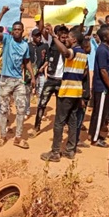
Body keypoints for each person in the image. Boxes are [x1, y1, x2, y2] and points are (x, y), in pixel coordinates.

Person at [41, 26, 88, 161]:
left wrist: (54, 36)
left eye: (68, 37)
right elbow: (84, 73)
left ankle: (55, 152)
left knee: (59, 121)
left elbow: (66, 52)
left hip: (67, 90)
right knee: (72, 121)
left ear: (73, 39)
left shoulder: (73, 52)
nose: (66, 39)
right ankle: (70, 150)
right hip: (77, 92)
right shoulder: (84, 54)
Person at [0, 6, 35, 149]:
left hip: (18, 80)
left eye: (19, 29)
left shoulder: (25, 45)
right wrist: (2, 12)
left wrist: (32, 76)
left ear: (22, 31)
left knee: (21, 109)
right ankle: (2, 136)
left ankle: (18, 137)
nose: (17, 31)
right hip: (5, 80)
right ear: (12, 30)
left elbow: (27, 61)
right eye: (14, 29)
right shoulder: (7, 39)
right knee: (4, 109)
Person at [31, 26, 69, 136]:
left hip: (63, 81)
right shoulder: (51, 44)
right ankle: (36, 127)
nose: (64, 37)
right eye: (61, 34)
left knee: (62, 106)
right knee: (42, 103)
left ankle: (64, 124)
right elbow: (43, 29)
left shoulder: (68, 47)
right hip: (51, 80)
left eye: (66, 35)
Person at [89, 26, 109, 147]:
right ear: (105, 37)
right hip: (102, 87)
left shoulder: (105, 49)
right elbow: (103, 71)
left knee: (99, 112)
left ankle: (94, 133)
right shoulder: (102, 50)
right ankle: (95, 139)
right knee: (100, 112)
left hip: (103, 87)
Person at [28, 28, 48, 117]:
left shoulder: (44, 46)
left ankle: (40, 111)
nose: (39, 37)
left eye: (39, 36)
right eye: (36, 36)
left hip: (41, 73)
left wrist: (43, 67)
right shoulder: (27, 46)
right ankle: (27, 111)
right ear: (32, 37)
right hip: (29, 73)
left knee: (42, 92)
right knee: (28, 92)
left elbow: (48, 59)